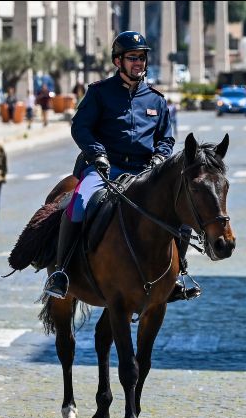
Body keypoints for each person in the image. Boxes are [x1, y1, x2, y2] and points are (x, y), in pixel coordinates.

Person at [42, 31, 191, 302]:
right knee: (78, 202)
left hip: (145, 171)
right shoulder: (99, 93)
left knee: (181, 212)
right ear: (118, 61)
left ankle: (179, 275)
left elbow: (166, 137)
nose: (139, 63)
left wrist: (160, 157)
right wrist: (97, 153)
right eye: (133, 57)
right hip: (104, 169)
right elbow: (81, 127)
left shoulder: (156, 99)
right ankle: (61, 272)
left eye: (142, 57)